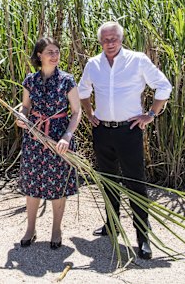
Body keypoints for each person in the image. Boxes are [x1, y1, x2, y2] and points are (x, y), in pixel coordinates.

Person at [78, 21, 172, 260]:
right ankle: (112, 225)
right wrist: (90, 114)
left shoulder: (137, 60)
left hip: (129, 130)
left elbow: (163, 86)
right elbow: (83, 92)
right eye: (105, 40)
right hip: (102, 131)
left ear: (121, 39)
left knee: (135, 183)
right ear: (100, 42)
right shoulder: (93, 64)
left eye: (114, 39)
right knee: (108, 180)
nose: (110, 43)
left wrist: (150, 114)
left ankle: (143, 237)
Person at [15, 37, 82, 250]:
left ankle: (56, 229)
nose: (55, 56)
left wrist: (67, 136)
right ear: (39, 56)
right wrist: (22, 117)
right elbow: (26, 107)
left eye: (57, 51)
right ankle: (30, 228)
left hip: (59, 138)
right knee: (32, 184)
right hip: (34, 139)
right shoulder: (30, 80)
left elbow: (76, 111)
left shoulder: (67, 80)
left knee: (57, 186)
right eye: (50, 52)